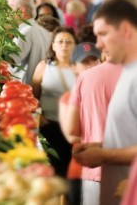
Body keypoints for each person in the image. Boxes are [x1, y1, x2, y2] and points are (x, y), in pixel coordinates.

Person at [72, 0, 137, 205]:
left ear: (125, 30)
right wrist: (100, 147)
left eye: (103, 34)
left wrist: (104, 154)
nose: (98, 44)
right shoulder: (127, 71)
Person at [59, 42, 102, 205]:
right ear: (74, 67)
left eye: (94, 60)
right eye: (85, 62)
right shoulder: (67, 99)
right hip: (82, 169)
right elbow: (73, 136)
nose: (91, 66)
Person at [32, 26, 77, 177]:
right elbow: (33, 97)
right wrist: (42, 119)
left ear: (75, 45)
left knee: (71, 171)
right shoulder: (43, 66)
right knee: (53, 170)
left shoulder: (80, 69)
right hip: (49, 126)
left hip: (74, 130)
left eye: (68, 42)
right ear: (53, 45)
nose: (64, 45)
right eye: (60, 41)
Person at [8, 0, 51, 85]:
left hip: (24, 89)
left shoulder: (24, 33)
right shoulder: (43, 30)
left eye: (11, 9)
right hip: (39, 87)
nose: (8, 14)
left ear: (22, 11)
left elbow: (8, 61)